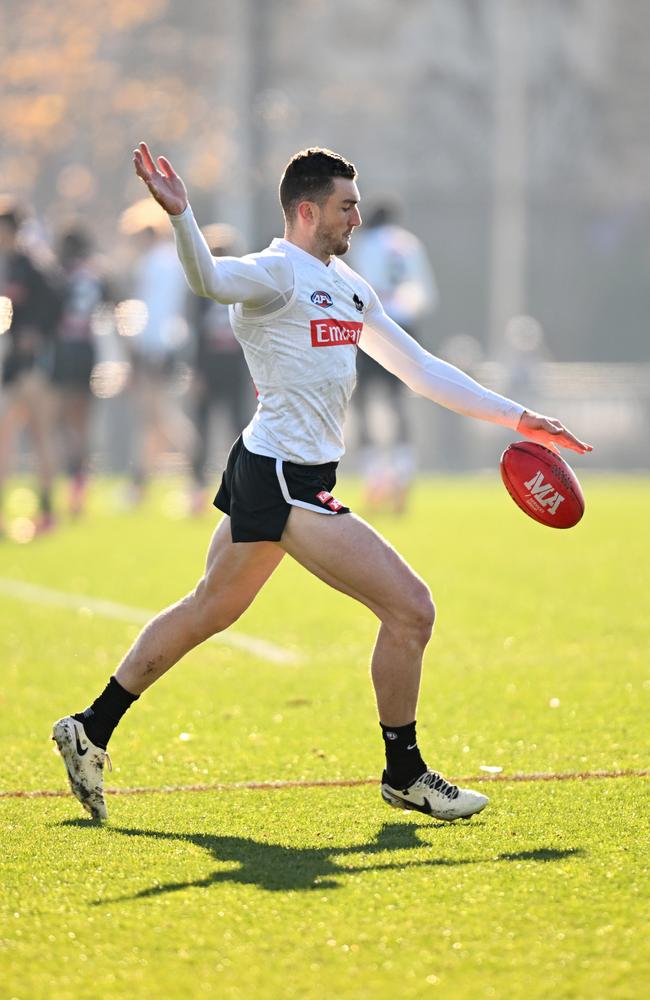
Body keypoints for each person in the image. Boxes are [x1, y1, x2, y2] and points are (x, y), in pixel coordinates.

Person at [52, 143, 592, 822]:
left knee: (208, 610)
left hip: (274, 468)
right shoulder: (274, 273)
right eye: (345, 206)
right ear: (307, 211)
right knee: (411, 609)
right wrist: (183, 218)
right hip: (283, 477)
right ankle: (406, 771)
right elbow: (211, 282)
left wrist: (524, 420)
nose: (357, 218)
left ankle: (90, 727)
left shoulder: (350, 287)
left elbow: (422, 370)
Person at [348, 199, 438, 512]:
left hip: (373, 326)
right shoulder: (409, 244)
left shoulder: (362, 244)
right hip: (406, 329)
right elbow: (425, 294)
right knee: (398, 403)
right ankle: (402, 472)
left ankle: (374, 476)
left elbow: (355, 289)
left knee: (362, 402)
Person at [0, 199, 61, 537]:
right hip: (13, 367)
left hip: (34, 368)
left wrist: (37, 334)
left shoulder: (31, 264)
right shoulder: (9, 264)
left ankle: (48, 509)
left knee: (39, 436)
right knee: (5, 436)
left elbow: (57, 300)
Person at [186, 223, 256, 514]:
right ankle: (198, 488)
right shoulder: (202, 291)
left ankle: (241, 485)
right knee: (206, 427)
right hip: (216, 367)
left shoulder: (241, 288)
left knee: (237, 427)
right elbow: (196, 333)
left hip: (230, 367)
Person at [51, 224, 111, 516]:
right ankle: (80, 483)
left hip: (65, 351)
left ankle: (73, 479)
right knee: (82, 420)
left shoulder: (61, 275)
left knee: (62, 418)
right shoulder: (94, 275)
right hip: (87, 350)